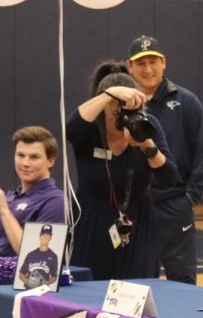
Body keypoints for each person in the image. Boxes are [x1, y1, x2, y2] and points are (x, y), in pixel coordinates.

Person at [68, 62, 180, 281]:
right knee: (87, 292)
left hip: (137, 224)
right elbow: (70, 128)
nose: (122, 117)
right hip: (91, 221)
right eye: (116, 111)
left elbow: (170, 177)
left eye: (129, 110)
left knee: (136, 289)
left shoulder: (146, 124)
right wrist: (109, 94)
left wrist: (147, 146)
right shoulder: (90, 128)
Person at [126, 35, 203, 285]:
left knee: (182, 280)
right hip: (135, 208)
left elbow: (201, 153)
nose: (148, 69)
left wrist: (189, 199)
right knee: (136, 280)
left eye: (153, 61)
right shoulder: (122, 104)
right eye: (141, 63)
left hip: (174, 205)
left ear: (164, 63)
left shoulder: (186, 102)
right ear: (129, 66)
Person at [0, 126, 65, 257]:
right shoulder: (7, 198)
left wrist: (4, 211)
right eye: (20, 155)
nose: (25, 163)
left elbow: (34, 258)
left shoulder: (56, 201)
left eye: (34, 157)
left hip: (15, 277)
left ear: (50, 161)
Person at [18, 224, 60, 289]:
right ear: (40, 236)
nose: (45, 237)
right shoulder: (30, 254)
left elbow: (54, 277)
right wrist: (28, 282)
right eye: (43, 235)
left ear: (51, 238)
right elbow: (21, 274)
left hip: (42, 289)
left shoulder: (53, 256)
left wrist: (46, 282)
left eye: (47, 235)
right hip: (28, 288)